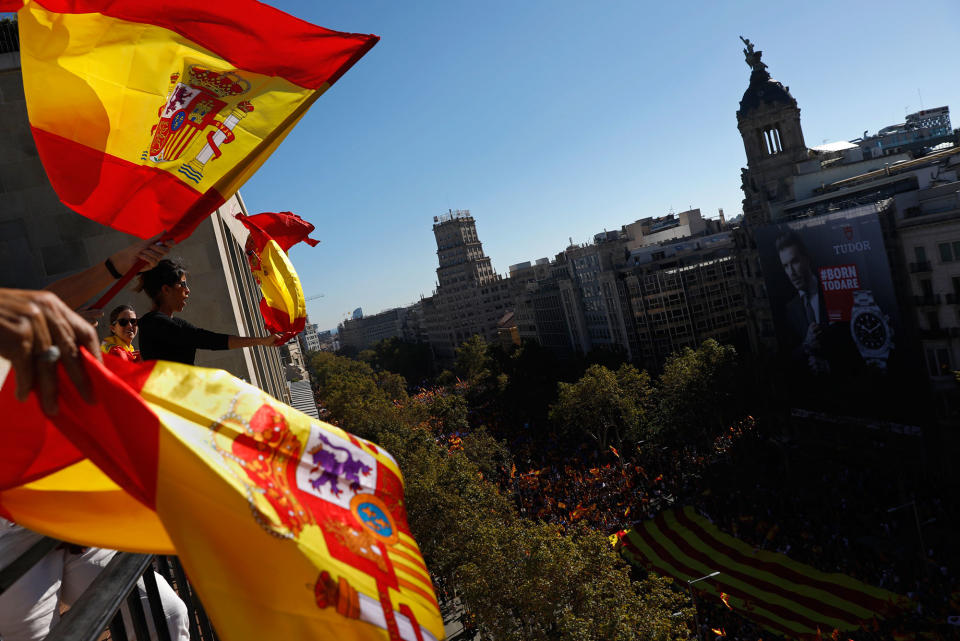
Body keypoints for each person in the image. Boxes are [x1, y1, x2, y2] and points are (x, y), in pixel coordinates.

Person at [0, 288, 189, 641]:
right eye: (125, 322)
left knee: (167, 615)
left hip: (67, 517)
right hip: (10, 531)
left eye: (134, 322)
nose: (131, 327)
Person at [135, 259, 280, 364]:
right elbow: (205, 339)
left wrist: (262, 341)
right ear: (166, 289)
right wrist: (260, 341)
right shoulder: (153, 323)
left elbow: (209, 339)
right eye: (183, 284)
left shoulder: (174, 323)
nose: (188, 290)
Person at [775, 230, 859, 375]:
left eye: (794, 262)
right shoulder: (790, 309)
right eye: (786, 266)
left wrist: (830, 367)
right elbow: (787, 359)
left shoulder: (834, 289)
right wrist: (806, 345)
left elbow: (857, 344)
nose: (791, 273)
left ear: (806, 258)